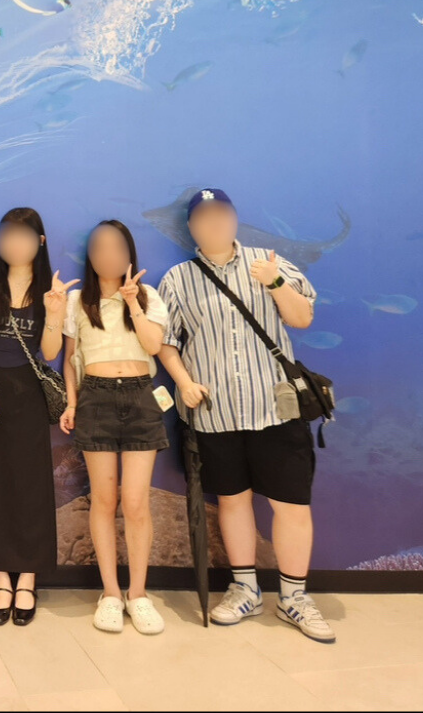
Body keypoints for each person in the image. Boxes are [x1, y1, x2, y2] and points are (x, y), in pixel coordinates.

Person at [157, 188, 335, 643]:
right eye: (203, 217)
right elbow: (167, 342)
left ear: (235, 218)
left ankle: (294, 597)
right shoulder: (178, 278)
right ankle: (245, 590)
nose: (214, 223)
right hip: (215, 413)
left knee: (290, 504)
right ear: (191, 227)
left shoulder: (269, 261)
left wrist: (275, 283)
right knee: (232, 501)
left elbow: (302, 318)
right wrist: (183, 382)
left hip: (275, 408)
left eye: (222, 214)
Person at [0, 207, 70, 626]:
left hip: (28, 397)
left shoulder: (49, 289)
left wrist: (55, 313)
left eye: (23, 235)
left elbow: (51, 353)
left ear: (40, 241)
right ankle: (1, 581)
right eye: (7, 235)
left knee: (29, 487)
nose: (14, 243)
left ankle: (27, 580)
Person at [60, 221, 170, 635]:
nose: (108, 254)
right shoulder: (77, 301)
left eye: (116, 247)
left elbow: (154, 346)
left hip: (141, 395)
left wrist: (132, 303)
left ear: (129, 254)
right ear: (90, 256)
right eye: (99, 248)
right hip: (96, 396)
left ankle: (138, 594)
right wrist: (72, 402)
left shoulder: (148, 295)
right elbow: (69, 359)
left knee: (136, 502)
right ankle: (110, 593)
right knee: (103, 501)